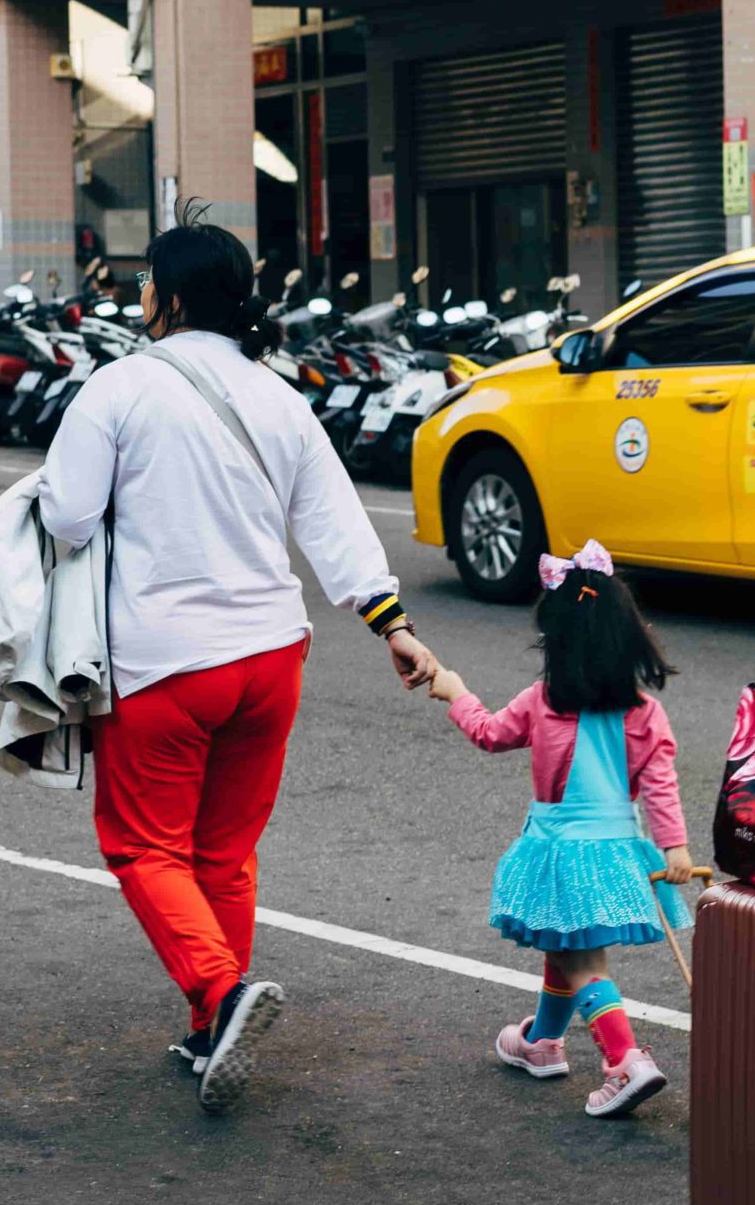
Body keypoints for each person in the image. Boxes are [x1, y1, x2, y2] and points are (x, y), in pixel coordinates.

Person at [37, 209, 439, 1115]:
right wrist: (392, 625)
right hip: (271, 659)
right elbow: (334, 522)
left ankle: (222, 996)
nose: (138, 295)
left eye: (145, 282)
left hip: (165, 664)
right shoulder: (277, 396)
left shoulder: (120, 388)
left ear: (170, 298)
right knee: (224, 851)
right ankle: (210, 1025)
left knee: (143, 845)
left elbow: (63, 516)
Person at [426, 541, 694, 1119]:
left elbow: (490, 733)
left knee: (584, 964)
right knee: (565, 944)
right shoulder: (645, 712)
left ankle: (625, 1060)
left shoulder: (544, 702)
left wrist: (457, 693)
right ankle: (542, 1043)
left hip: (559, 850)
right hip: (617, 851)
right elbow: (661, 785)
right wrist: (673, 846)